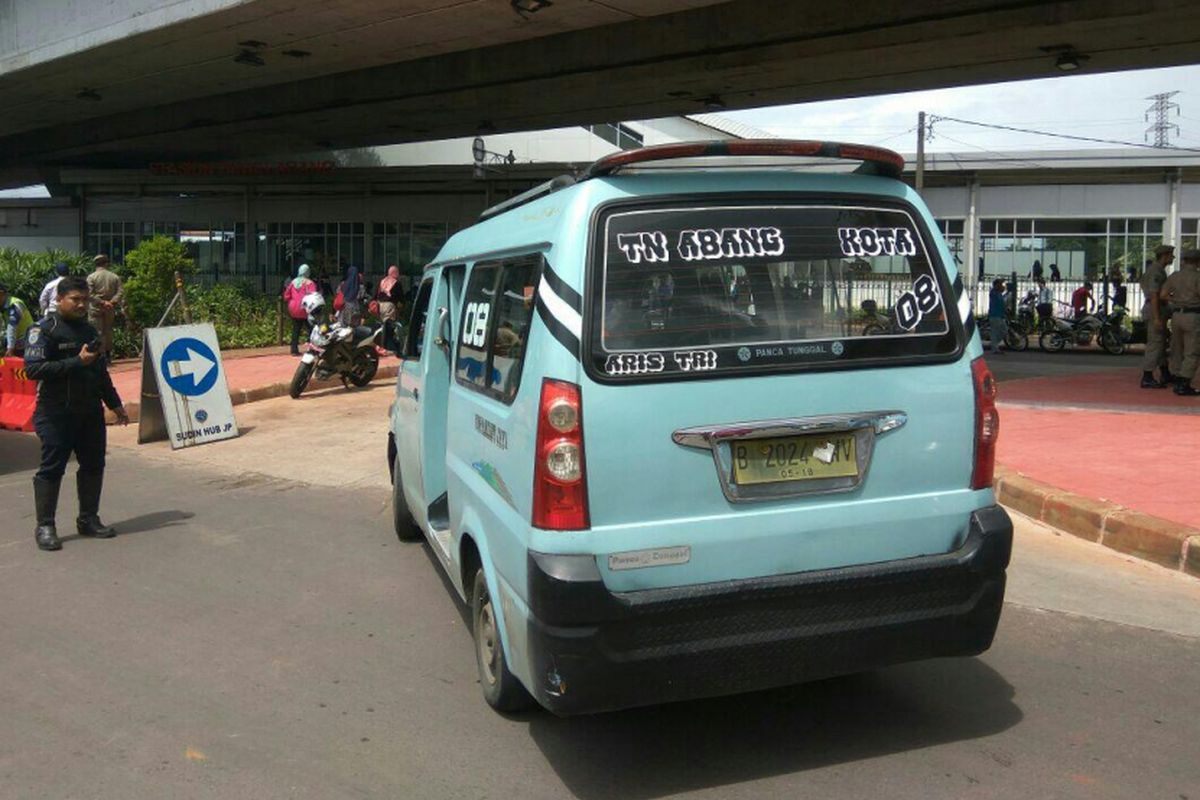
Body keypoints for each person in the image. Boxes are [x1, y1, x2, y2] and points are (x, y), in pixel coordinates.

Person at [23, 276, 130, 552]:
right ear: (59, 300)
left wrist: (114, 404)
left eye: (85, 300)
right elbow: (33, 370)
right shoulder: (43, 330)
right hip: (56, 412)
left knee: (94, 465)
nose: (81, 304)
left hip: (89, 412)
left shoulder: (89, 331)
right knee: (52, 468)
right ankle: (45, 526)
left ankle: (88, 519)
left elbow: (100, 371)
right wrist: (76, 361)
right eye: (75, 299)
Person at [1160, 249, 1200, 396]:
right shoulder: (1197, 277)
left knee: (1177, 348)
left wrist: (1176, 300)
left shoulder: (1175, 276)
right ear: (1197, 262)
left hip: (1176, 315)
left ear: (1184, 260)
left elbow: (1163, 295)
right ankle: (1184, 382)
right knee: (1192, 351)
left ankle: (1176, 376)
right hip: (1193, 315)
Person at [1140, 244, 1175, 389]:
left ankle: (1165, 372)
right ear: (1165, 256)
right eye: (1170, 255)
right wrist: (1156, 318)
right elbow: (1154, 295)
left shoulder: (1156, 270)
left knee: (1159, 343)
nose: (1172, 257)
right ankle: (1147, 376)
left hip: (1158, 308)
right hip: (1156, 309)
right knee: (1155, 344)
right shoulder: (1156, 272)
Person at [86, 254, 125, 356]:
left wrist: (102, 302)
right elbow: (120, 291)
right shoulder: (114, 276)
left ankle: (99, 354)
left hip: (96, 307)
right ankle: (108, 354)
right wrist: (111, 302)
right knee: (108, 330)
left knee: (96, 331)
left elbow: (89, 293)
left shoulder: (91, 277)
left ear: (96, 264)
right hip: (110, 308)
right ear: (106, 263)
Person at [283, 264, 319, 356]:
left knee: (296, 329)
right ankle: (312, 348)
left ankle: (294, 350)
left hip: (293, 309)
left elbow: (286, 296)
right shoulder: (310, 283)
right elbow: (314, 296)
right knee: (311, 329)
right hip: (305, 308)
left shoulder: (293, 282)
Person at [1, 282, 35, 357]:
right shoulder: (3, 306)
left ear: (1, 294)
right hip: (16, 342)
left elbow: (12, 327)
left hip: (27, 342)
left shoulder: (15, 304)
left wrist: (10, 348)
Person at [987, 278, 1008, 355]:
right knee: (995, 332)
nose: (1002, 286)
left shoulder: (999, 293)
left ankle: (994, 344)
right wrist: (1000, 282)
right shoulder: (993, 292)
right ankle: (994, 348)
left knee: (1004, 330)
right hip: (994, 315)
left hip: (1000, 316)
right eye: (1000, 285)